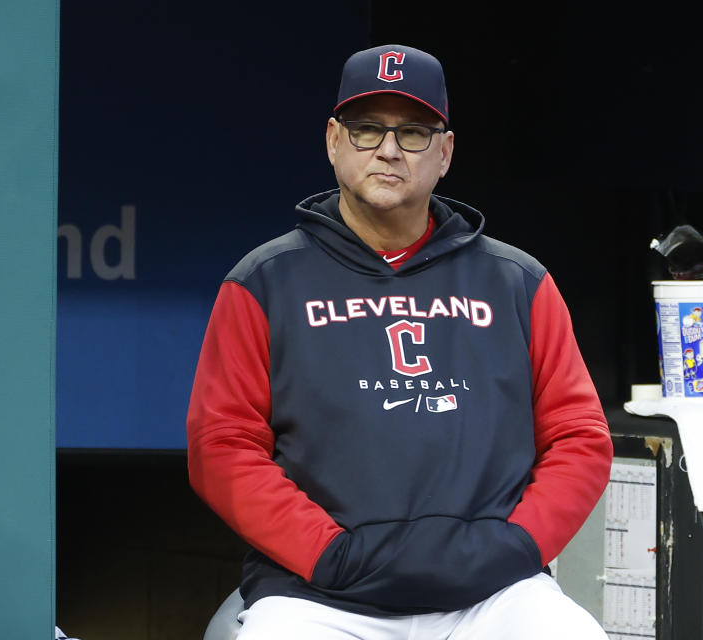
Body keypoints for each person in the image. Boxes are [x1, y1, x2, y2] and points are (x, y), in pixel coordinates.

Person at [186, 44, 613, 639]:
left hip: (492, 595)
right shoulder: (265, 281)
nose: (388, 150)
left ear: (446, 152)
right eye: (367, 130)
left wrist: (517, 545)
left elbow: (579, 437)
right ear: (333, 141)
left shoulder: (517, 282)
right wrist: (326, 554)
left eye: (413, 133)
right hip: (317, 597)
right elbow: (223, 447)